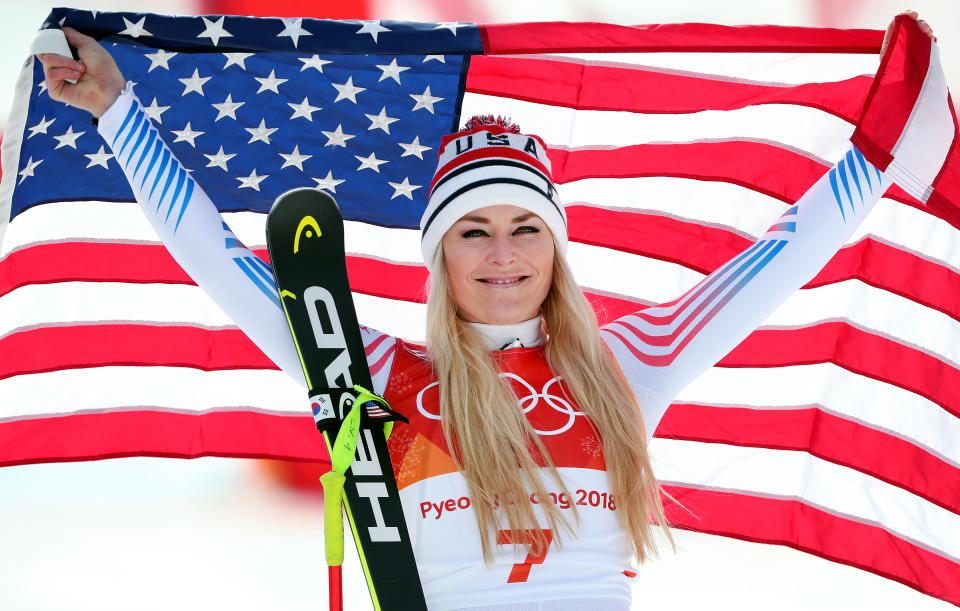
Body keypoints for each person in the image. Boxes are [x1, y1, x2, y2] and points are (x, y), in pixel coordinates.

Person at [37, 12, 938, 611]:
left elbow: (775, 262)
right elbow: (225, 264)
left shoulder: (629, 364)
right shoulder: (380, 378)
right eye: (472, 231)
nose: (502, 254)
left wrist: (879, 152)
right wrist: (117, 111)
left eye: (523, 228)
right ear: (439, 256)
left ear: (555, 246)